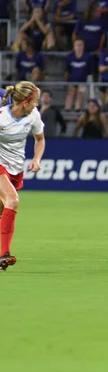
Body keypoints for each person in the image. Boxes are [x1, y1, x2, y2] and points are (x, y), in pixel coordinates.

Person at [0, 81, 45, 271]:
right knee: (13, 201)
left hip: (16, 168)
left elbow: (40, 139)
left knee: (3, 211)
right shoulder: (1, 117)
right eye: (34, 101)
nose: (37, 105)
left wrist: (36, 158)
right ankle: (4, 255)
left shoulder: (33, 116)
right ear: (24, 102)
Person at [64, 37, 94, 111]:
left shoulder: (88, 57)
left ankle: (77, 109)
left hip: (83, 81)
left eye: (81, 45)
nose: (79, 47)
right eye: (77, 45)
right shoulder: (70, 57)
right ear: (74, 46)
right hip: (72, 80)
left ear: (83, 46)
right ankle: (67, 108)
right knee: (71, 91)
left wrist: (89, 81)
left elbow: (90, 71)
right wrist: (66, 82)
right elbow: (67, 71)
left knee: (80, 91)